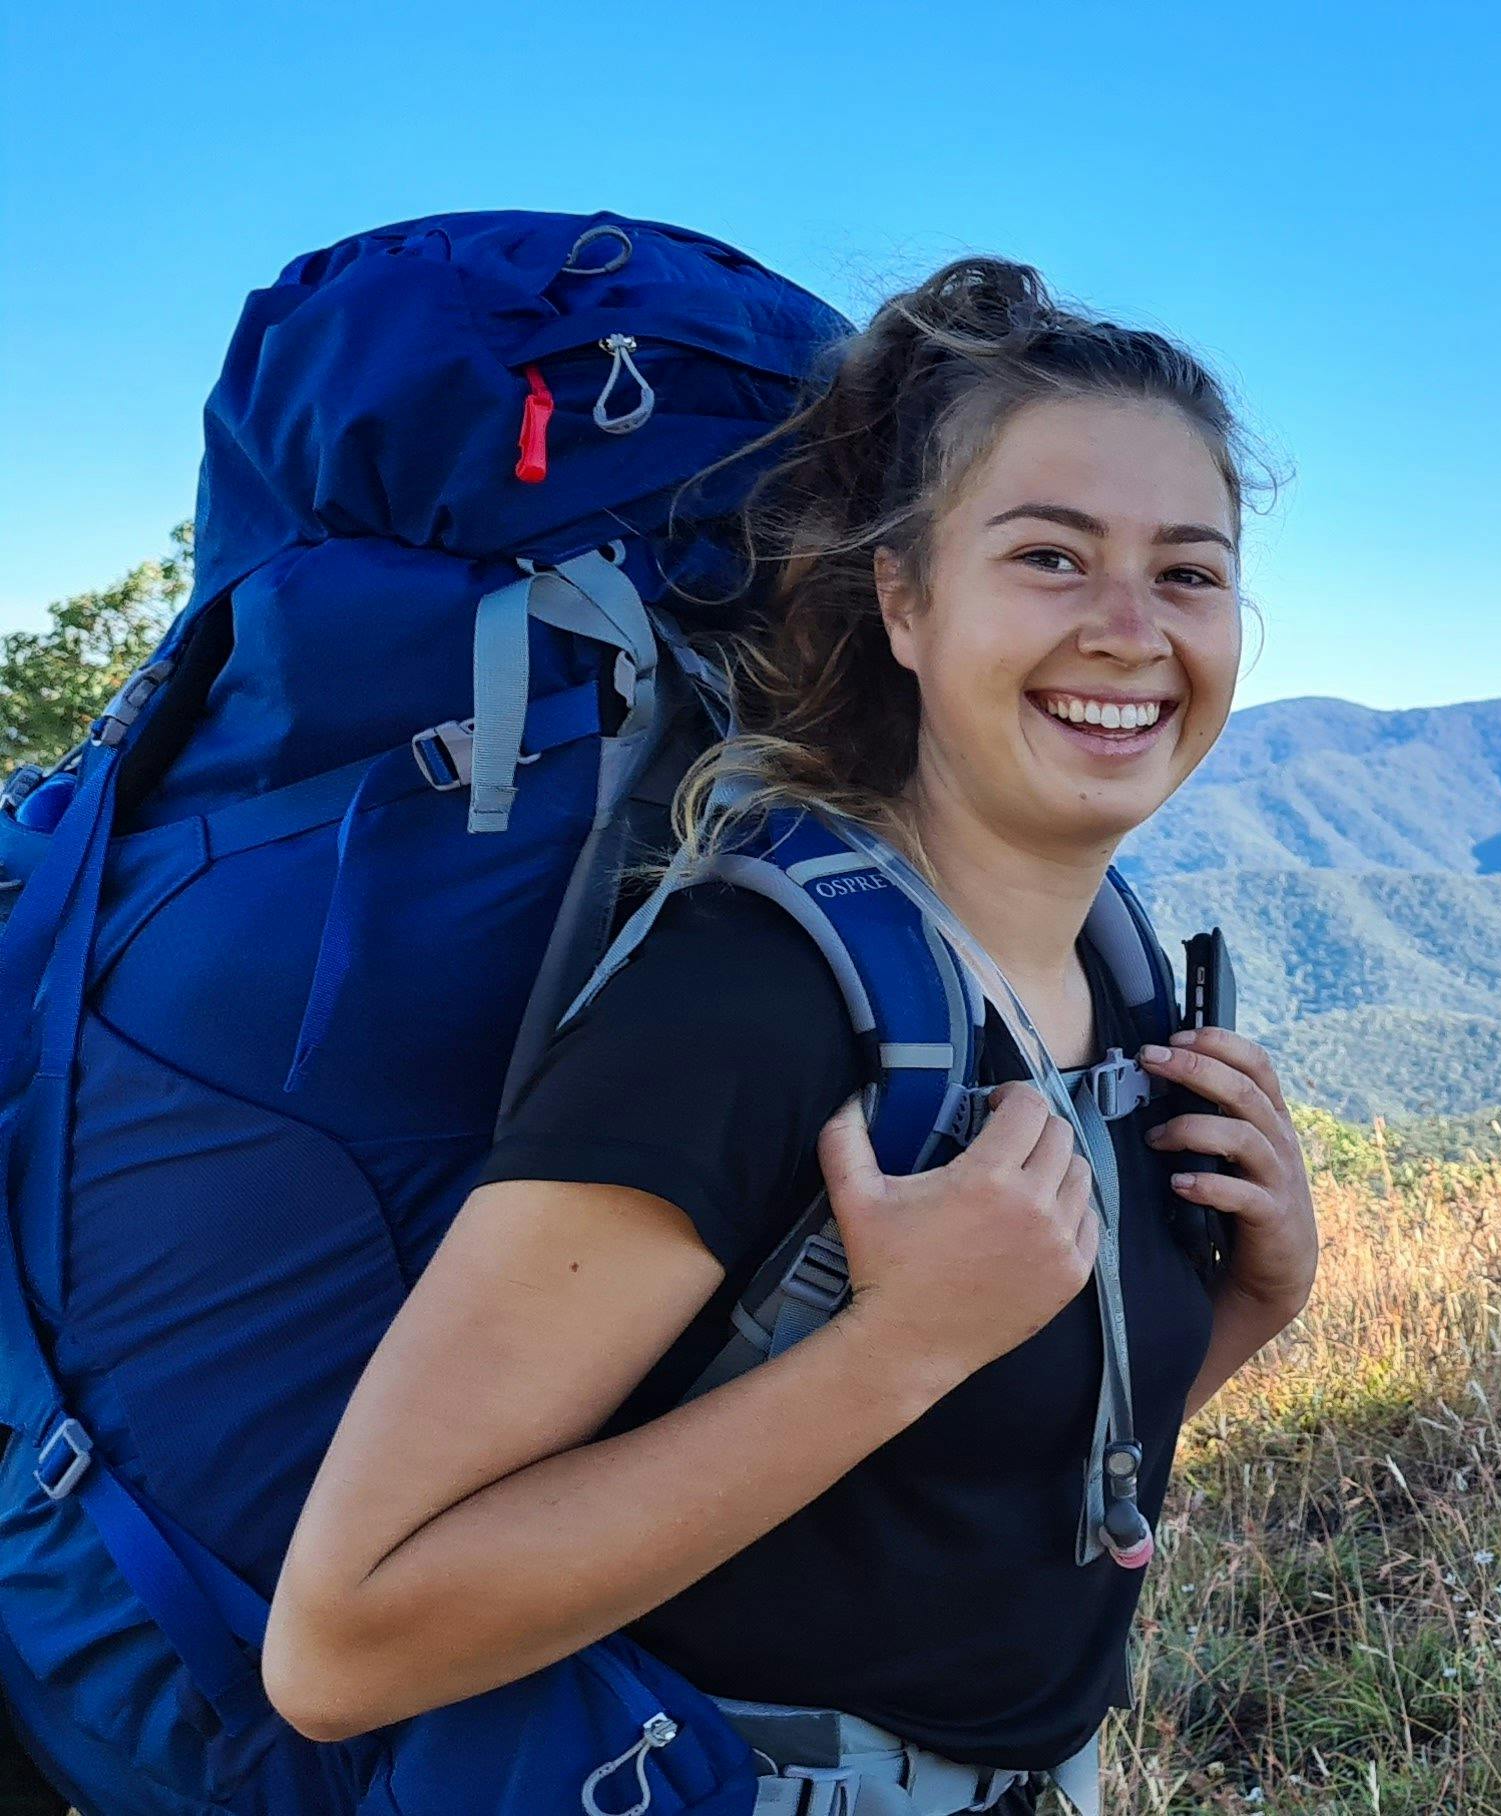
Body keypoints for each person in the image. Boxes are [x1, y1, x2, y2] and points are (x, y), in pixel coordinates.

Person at [254, 257, 1319, 1813]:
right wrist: (899, 1344)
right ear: (902, 598)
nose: (1128, 629)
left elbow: (968, 1491)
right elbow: (344, 1644)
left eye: (1188, 571)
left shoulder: (1118, 977)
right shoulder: (750, 997)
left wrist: (1255, 1306)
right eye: (1049, 556)